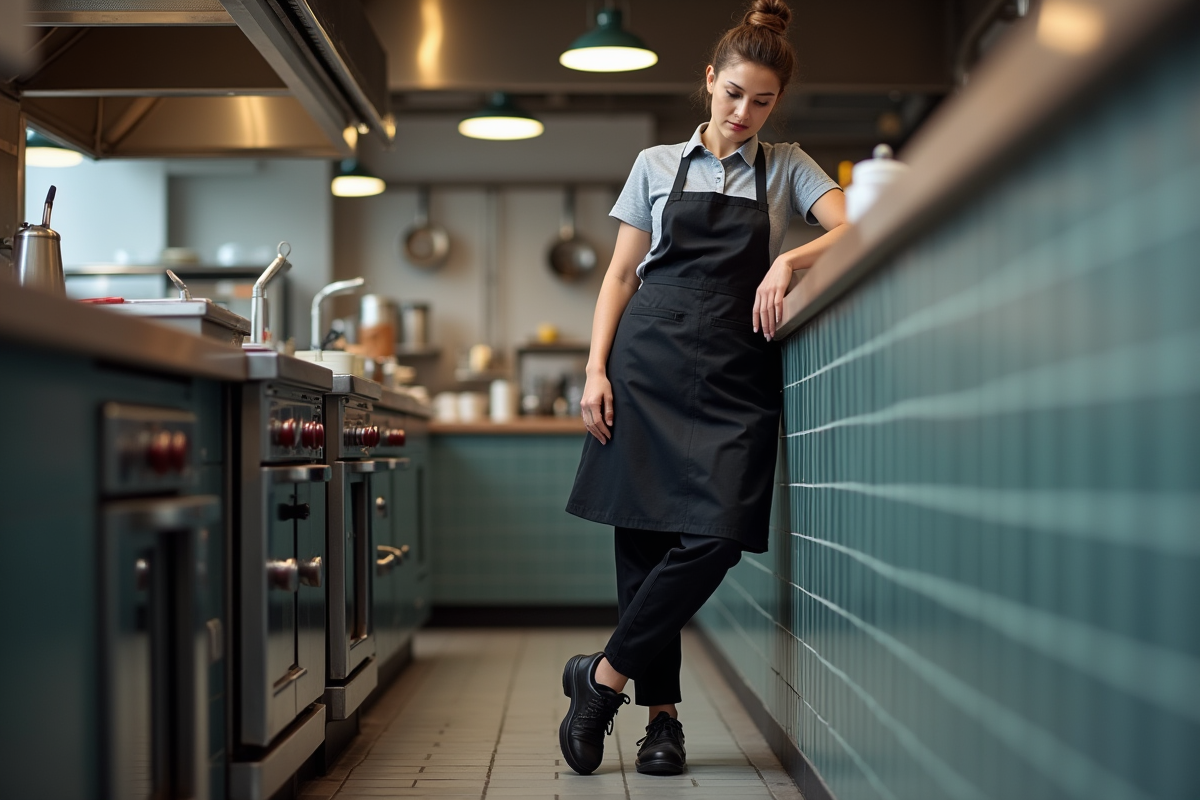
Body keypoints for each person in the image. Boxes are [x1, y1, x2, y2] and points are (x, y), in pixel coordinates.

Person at [558, 0, 850, 778]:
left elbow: (858, 225)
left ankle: (602, 677)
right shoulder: (656, 164)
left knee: (717, 539)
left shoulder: (787, 165)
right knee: (645, 549)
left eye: (762, 101)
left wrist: (789, 261)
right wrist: (593, 369)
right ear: (710, 81)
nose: (744, 113)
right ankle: (662, 726)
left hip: (733, 375)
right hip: (645, 364)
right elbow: (621, 275)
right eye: (733, 94)